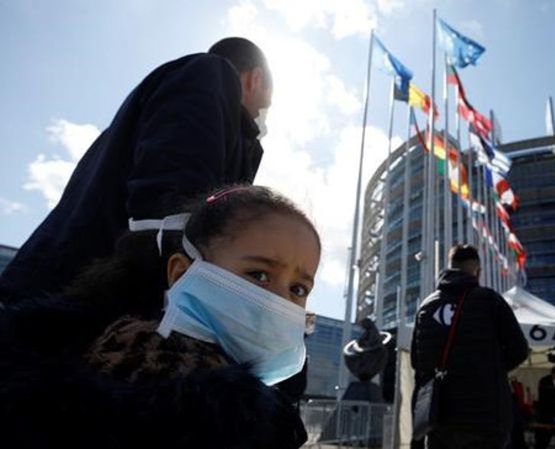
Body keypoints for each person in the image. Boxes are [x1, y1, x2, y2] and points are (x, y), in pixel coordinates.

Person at [0, 185, 318, 448]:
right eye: (259, 274)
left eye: (298, 289)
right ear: (181, 273)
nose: (281, 299)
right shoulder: (153, 379)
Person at [0, 37, 272, 302]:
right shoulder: (209, 74)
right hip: (71, 302)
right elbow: (174, 202)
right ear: (255, 79)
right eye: (265, 106)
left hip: (59, 288)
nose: (262, 117)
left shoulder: (160, 107)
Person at [411, 244, 529, 449]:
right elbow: (518, 350)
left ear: (450, 266)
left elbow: (417, 362)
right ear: (478, 271)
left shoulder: (426, 307)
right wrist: (491, 370)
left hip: (439, 416)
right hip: (485, 414)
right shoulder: (490, 300)